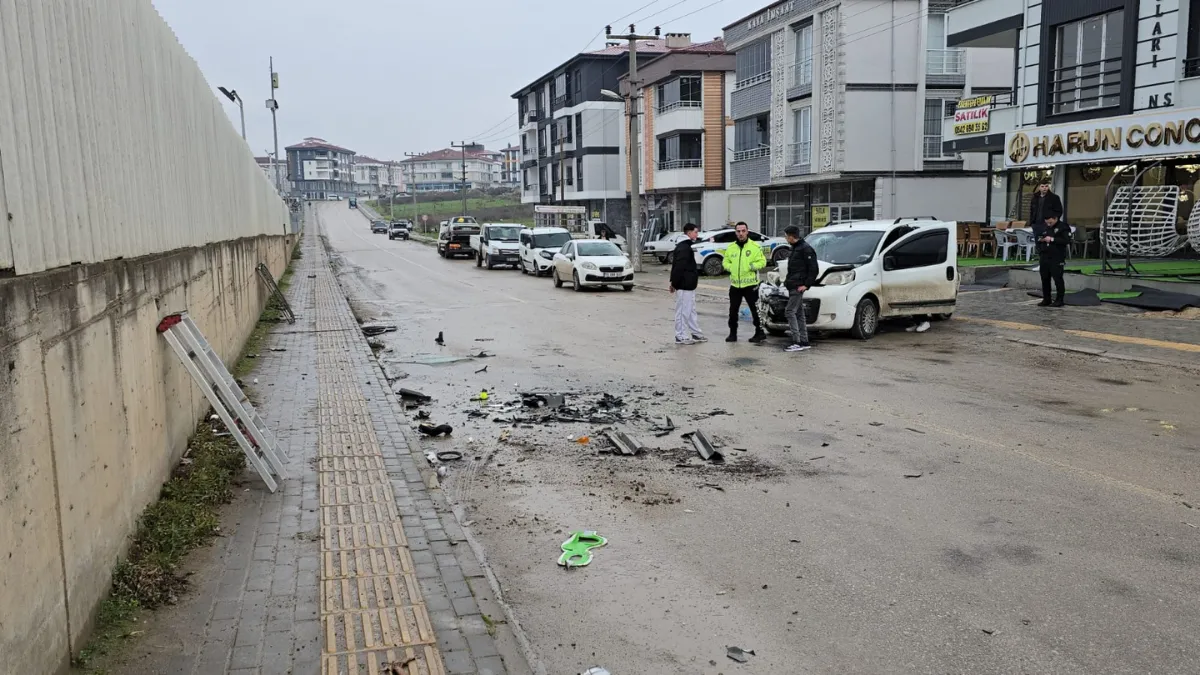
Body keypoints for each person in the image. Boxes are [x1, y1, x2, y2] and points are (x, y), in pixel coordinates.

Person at [781, 226, 818, 352]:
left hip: (798, 286)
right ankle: (804, 340)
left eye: (786, 236)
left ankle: (797, 341)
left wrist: (806, 285)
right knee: (799, 313)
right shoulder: (795, 248)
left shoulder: (805, 249)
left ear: (791, 236)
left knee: (790, 311)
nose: (786, 238)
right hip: (793, 285)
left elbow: (813, 269)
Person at [668, 223, 705, 345]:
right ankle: (681, 336)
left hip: (688, 284)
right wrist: (674, 283)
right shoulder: (684, 247)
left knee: (690, 310)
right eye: (695, 232)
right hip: (684, 284)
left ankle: (696, 333)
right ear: (688, 233)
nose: (697, 234)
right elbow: (678, 267)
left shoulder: (685, 246)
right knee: (683, 310)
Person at [1033, 214, 1071, 307]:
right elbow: (1039, 237)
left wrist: (1052, 239)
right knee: (1045, 278)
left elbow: (1066, 240)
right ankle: (1046, 299)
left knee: (1057, 278)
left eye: (1050, 222)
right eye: (1047, 222)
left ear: (1055, 218)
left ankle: (1059, 299)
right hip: (1044, 255)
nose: (1049, 224)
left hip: (1056, 256)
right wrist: (1040, 244)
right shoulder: (1044, 227)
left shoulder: (1063, 227)